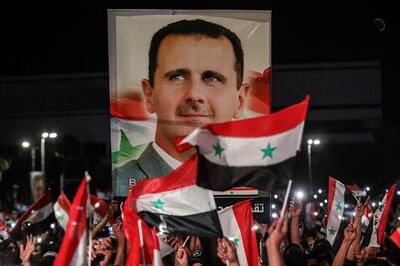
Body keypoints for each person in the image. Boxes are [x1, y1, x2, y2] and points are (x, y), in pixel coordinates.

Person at [114, 19, 249, 197]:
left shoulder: (251, 187)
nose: (194, 94)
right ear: (149, 94)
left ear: (239, 101)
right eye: (177, 77)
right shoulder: (121, 185)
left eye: (212, 78)